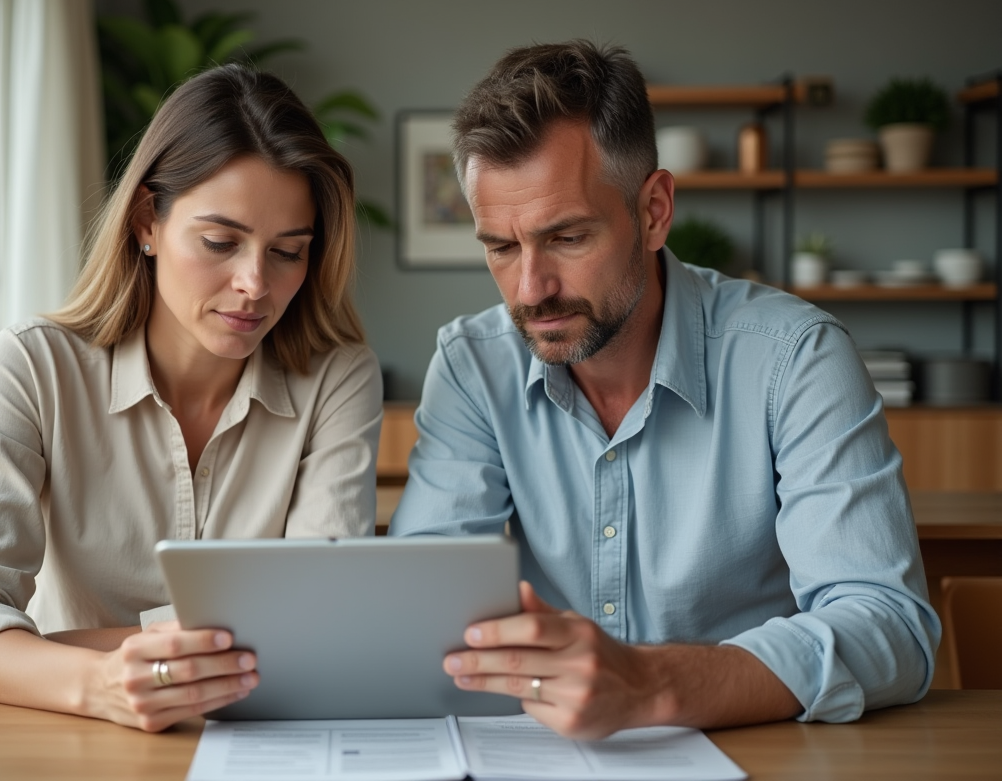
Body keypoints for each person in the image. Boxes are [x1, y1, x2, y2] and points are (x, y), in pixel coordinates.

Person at [388, 40, 939, 740]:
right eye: (501, 247)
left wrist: (653, 684)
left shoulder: (795, 358)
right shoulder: (474, 366)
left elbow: (891, 629)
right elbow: (420, 615)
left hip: (759, 751)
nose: (531, 290)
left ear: (653, 211)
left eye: (568, 237)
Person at [0, 65, 382, 732]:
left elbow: (317, 628)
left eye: (288, 252)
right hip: (68, 741)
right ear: (145, 222)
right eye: (220, 242)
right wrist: (96, 683)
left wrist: (44, 649)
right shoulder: (33, 365)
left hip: (265, 744)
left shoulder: (338, 377)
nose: (254, 283)